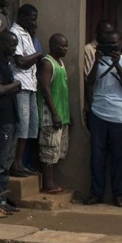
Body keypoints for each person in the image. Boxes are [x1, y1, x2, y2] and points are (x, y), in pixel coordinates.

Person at [85, 31, 122, 207]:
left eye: (113, 44)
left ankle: (119, 193)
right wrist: (96, 62)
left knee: (119, 157)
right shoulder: (98, 58)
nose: (110, 46)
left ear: (121, 43)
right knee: (97, 156)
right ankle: (96, 193)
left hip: (119, 115)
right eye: (106, 43)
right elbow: (90, 82)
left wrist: (117, 64)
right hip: (98, 112)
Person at [0, 31, 21, 213]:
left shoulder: (7, 63)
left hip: (11, 117)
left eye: (16, 45)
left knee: (7, 161)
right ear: (2, 43)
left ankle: (2, 197)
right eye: (11, 45)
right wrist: (15, 85)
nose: (14, 49)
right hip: (1, 118)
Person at [10, 4, 43, 176]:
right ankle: (15, 164)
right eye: (31, 19)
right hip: (20, 84)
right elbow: (20, 61)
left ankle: (22, 162)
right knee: (21, 126)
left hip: (31, 85)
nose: (33, 22)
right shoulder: (16, 33)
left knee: (31, 126)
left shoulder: (28, 34)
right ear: (21, 16)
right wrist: (38, 55)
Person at [37, 33, 71, 194]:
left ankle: (51, 181)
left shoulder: (61, 63)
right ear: (53, 46)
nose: (65, 49)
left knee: (57, 150)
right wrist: (54, 113)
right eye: (62, 46)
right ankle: (47, 183)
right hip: (50, 115)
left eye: (66, 46)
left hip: (62, 114)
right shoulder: (47, 63)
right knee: (48, 149)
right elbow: (45, 89)